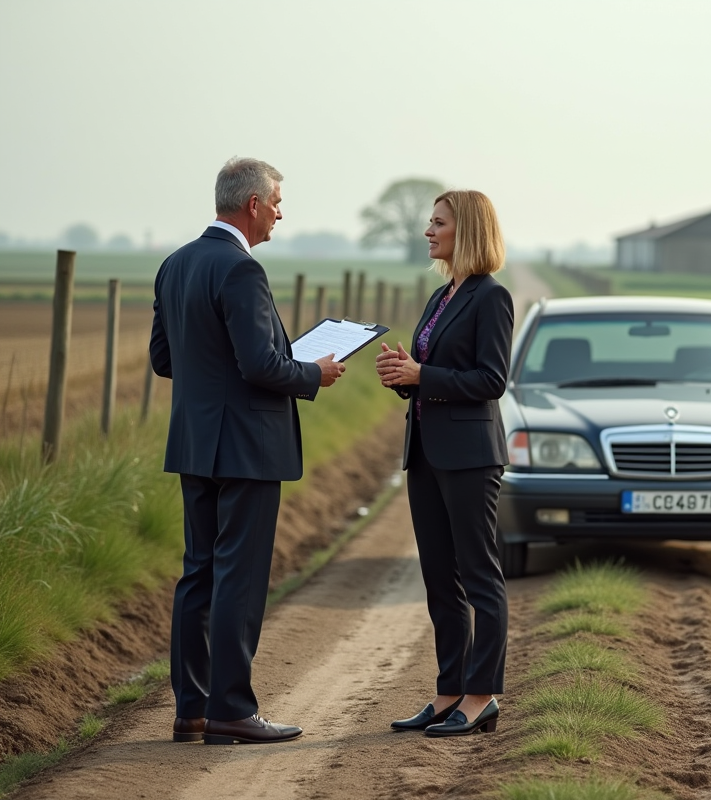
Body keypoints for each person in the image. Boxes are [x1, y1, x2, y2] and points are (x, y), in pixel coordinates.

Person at [150, 157, 346, 745]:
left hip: (194, 443)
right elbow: (262, 366)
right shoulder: (241, 270)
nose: (282, 213)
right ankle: (233, 709)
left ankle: (193, 711)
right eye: (278, 202)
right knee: (238, 578)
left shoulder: (175, 263)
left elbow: (166, 360)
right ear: (253, 204)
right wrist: (315, 371)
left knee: (199, 575)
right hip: (247, 447)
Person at [375, 190, 513, 737]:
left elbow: (491, 380)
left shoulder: (491, 297)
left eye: (438, 223)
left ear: (469, 231)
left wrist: (422, 376)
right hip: (426, 452)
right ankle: (447, 692)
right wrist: (403, 376)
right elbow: (431, 373)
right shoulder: (440, 296)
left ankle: (481, 696)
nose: (428, 232)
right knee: (439, 578)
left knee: (480, 575)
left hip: (471, 456)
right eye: (429, 223)